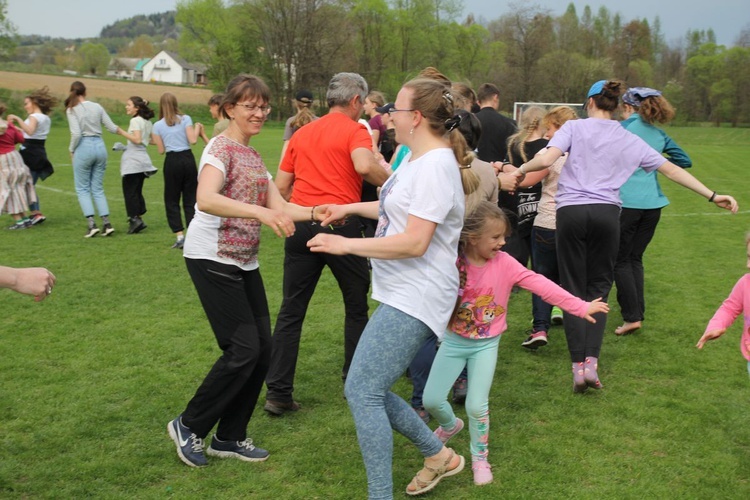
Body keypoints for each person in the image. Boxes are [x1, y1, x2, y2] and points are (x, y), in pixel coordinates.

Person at [306, 77, 479, 498]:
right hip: (403, 292)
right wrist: (346, 206)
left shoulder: (437, 166)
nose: (386, 117)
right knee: (365, 388)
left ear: (416, 118)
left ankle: (381, 492)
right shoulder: (416, 160)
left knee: (362, 391)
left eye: (394, 110)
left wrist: (345, 244)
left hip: (419, 295)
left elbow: (416, 241)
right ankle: (438, 456)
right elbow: (392, 206)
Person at [514, 79, 739, 392]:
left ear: (590, 102)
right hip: (607, 215)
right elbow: (671, 169)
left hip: (571, 214)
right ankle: (591, 363)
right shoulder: (626, 135)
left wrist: (519, 171)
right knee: (598, 290)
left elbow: (546, 159)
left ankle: (577, 368)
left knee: (573, 289)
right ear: (617, 105)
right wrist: (712, 195)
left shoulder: (574, 128)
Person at [167, 74, 326, 468]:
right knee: (242, 350)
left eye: (264, 106)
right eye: (250, 106)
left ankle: (230, 436)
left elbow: (281, 206)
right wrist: (259, 212)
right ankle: (188, 425)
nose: (258, 112)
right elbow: (205, 199)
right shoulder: (219, 149)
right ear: (230, 109)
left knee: (264, 350)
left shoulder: (253, 156)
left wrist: (315, 213)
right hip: (211, 257)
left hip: (244, 260)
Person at [423, 201, 609, 485]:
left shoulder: (506, 264)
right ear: (472, 238)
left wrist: (579, 307)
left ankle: (480, 459)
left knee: (476, 405)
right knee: (431, 400)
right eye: (496, 237)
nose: (503, 242)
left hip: (486, 345)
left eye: (504, 236)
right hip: (453, 341)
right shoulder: (452, 260)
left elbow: (541, 284)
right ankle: (450, 426)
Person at [264, 73, 390, 416]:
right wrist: (394, 184)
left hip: (303, 223)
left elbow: (282, 187)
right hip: (340, 225)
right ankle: (355, 381)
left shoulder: (302, 133)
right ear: (355, 101)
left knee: (291, 310)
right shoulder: (355, 130)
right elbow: (365, 165)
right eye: (363, 102)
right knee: (356, 307)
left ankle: (278, 392)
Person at [613, 87, 692, 336]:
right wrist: (656, 160)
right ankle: (637, 312)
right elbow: (684, 160)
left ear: (627, 107)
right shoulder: (658, 134)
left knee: (620, 260)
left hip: (627, 203)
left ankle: (632, 316)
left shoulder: (621, 130)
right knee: (635, 258)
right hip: (652, 205)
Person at [522, 106, 579, 349]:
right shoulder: (583, 153)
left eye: (551, 128)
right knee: (572, 277)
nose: (547, 134)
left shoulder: (552, 153)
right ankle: (576, 325)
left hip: (546, 221)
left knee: (542, 277)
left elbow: (527, 180)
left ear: (559, 128)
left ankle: (540, 328)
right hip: (574, 222)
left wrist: (503, 170)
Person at [65, 81, 123, 238]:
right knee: (97, 188)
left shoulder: (72, 110)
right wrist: (126, 134)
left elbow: (76, 134)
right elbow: (111, 127)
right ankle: (107, 223)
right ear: (85, 92)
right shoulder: (97, 107)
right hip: (100, 146)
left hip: (84, 147)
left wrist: (71, 149)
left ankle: (91, 225)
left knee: (82, 188)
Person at [498, 105, 548, 267]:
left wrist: (502, 166)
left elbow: (507, 169)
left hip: (516, 200)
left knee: (518, 240)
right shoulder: (546, 146)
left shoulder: (514, 143)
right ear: (543, 123)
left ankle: (515, 272)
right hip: (539, 202)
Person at [696, 232, 750, 376]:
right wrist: (715, 326)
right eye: (749, 257)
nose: (748, 264)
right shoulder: (745, 283)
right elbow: (729, 308)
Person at [152, 92, 199, 249]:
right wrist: (198, 129)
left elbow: (160, 150)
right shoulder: (186, 119)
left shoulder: (157, 125)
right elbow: (192, 140)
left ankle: (179, 236)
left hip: (172, 161)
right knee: (190, 198)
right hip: (187, 159)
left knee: (171, 199)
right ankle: (194, 235)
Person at [7, 86, 57, 225]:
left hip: (30, 154)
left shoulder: (33, 117)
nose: (25, 107)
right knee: (28, 185)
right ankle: (35, 213)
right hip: (38, 152)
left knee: (26, 185)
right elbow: (27, 132)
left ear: (34, 103)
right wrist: (10, 127)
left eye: (26, 103)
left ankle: (35, 214)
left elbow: (29, 131)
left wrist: (17, 118)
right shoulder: (45, 118)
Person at [117, 96, 158, 234]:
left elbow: (137, 139)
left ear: (137, 108)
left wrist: (121, 132)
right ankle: (138, 216)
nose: (126, 107)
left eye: (128, 105)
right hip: (143, 161)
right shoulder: (147, 122)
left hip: (133, 161)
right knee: (136, 190)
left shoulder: (135, 120)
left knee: (129, 191)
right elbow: (151, 141)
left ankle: (135, 220)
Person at [0, 103, 36, 229]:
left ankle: (19, 222)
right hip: (16, 157)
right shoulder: (8, 125)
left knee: (6, 190)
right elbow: (21, 139)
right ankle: (26, 220)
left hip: (3, 159)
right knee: (17, 188)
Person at [473, 83, 517, 165]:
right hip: (499, 169)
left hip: (474, 169)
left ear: (478, 102)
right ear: (495, 97)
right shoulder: (509, 123)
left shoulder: (470, 121)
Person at [278, 89, 317, 167]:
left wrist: (281, 167)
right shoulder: (320, 121)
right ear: (312, 104)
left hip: (296, 164)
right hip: (315, 165)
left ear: (295, 103)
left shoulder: (291, 121)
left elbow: (287, 147)